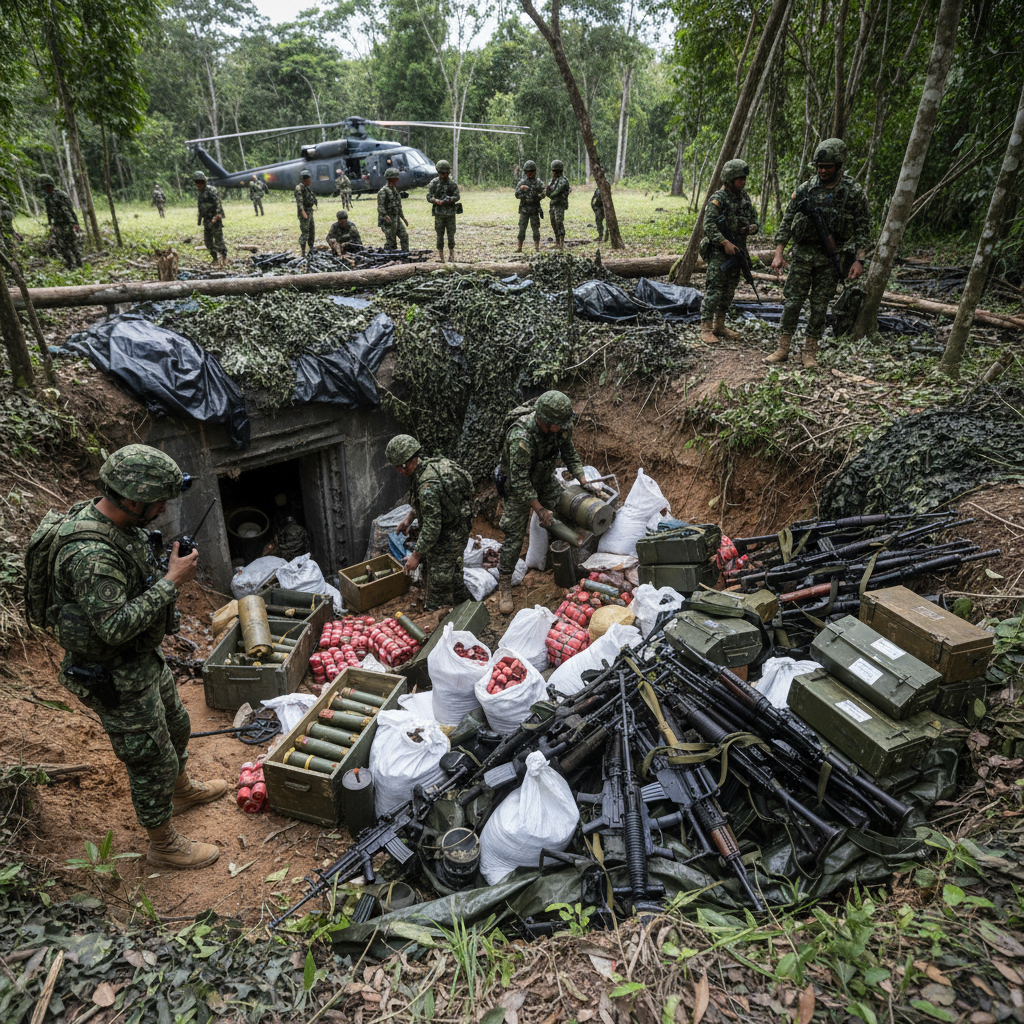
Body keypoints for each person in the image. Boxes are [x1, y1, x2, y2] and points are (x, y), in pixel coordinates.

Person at [42, 445, 227, 869]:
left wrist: (165, 565)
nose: (164, 508)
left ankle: (181, 791)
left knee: (178, 725)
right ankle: (162, 844)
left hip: (141, 659)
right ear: (131, 498)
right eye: (158, 501)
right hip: (113, 673)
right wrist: (171, 582)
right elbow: (112, 627)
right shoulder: (90, 555)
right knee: (150, 758)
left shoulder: (120, 525)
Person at [769, 137, 872, 368]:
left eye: (828, 167)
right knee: (793, 302)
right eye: (819, 167)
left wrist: (859, 260)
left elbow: (863, 227)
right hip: (803, 255)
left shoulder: (852, 192)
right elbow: (787, 221)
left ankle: (809, 352)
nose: (823, 171)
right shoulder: (806, 189)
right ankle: (782, 348)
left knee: (819, 305)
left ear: (839, 165)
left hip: (830, 259)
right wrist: (779, 253)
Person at [496, 391, 596, 615]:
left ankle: (566, 565)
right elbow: (519, 480)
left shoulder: (561, 425)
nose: (561, 428)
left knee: (567, 508)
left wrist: (582, 479)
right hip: (518, 487)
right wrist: (539, 509)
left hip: (544, 478)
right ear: (544, 420)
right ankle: (504, 582)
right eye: (557, 425)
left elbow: (569, 451)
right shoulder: (520, 438)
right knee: (513, 535)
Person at [386, 435, 474, 612]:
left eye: (399, 468)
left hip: (450, 532)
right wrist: (409, 518)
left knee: (439, 580)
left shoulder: (427, 485)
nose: (399, 472)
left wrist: (415, 557)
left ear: (406, 464)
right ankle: (466, 603)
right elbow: (427, 505)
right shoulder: (426, 467)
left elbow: (432, 527)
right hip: (451, 524)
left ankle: (435, 613)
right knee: (453, 572)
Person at [699, 158, 759, 346]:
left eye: (744, 179)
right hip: (720, 253)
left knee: (729, 290)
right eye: (739, 179)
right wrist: (724, 242)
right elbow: (708, 224)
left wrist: (752, 227)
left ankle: (720, 325)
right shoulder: (719, 198)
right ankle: (706, 328)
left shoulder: (744, 197)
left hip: (738, 251)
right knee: (715, 290)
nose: (743, 182)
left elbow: (754, 218)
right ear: (729, 179)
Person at [38, 174, 83, 269]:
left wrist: (74, 223)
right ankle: (70, 265)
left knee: (72, 245)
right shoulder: (47, 198)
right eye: (45, 188)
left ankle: (79, 264)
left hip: (67, 223)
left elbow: (69, 210)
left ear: (51, 186)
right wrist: (51, 224)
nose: (47, 189)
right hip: (58, 225)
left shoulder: (61, 195)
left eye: (48, 187)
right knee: (62, 247)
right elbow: (49, 212)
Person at [426, 159, 461, 264]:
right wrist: (436, 201)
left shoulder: (452, 184)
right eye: (441, 173)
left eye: (445, 173)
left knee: (451, 235)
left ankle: (451, 255)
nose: (443, 175)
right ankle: (441, 257)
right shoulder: (434, 183)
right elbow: (429, 196)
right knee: (439, 235)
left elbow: (457, 196)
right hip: (439, 214)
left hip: (450, 214)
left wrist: (451, 199)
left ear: (449, 173)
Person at [193, 170, 227, 268]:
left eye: (199, 182)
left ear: (204, 181)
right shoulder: (201, 193)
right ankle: (215, 258)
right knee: (208, 242)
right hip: (206, 220)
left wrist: (216, 217)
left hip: (214, 219)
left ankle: (223, 258)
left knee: (218, 241)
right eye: (196, 182)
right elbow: (200, 207)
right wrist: (199, 219)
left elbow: (218, 204)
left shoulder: (212, 190)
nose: (198, 185)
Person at [514, 160, 545, 253]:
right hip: (524, 210)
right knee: (522, 229)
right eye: (527, 171)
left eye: (531, 171)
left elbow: (544, 192)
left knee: (535, 229)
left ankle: (537, 249)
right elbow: (516, 195)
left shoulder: (538, 182)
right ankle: (519, 248)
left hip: (534, 209)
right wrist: (521, 190)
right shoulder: (522, 182)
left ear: (535, 171)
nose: (529, 173)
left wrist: (537, 197)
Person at [377, 167, 409, 251]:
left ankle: (405, 254)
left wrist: (403, 217)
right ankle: (386, 255)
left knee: (404, 236)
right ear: (389, 179)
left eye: (397, 179)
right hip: (387, 220)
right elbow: (380, 206)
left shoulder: (395, 190)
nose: (396, 181)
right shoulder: (383, 191)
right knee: (391, 241)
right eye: (394, 179)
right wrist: (384, 216)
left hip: (396, 218)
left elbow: (398, 206)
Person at [545, 159, 571, 250]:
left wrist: (548, 191)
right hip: (553, 204)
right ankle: (557, 242)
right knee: (553, 223)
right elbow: (547, 192)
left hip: (560, 205)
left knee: (559, 222)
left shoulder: (562, 181)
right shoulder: (553, 180)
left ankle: (562, 243)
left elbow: (553, 193)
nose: (553, 173)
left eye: (554, 171)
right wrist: (548, 191)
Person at [295, 169, 318, 256]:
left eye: (309, 180)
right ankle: (303, 251)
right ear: (303, 180)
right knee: (305, 232)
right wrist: (302, 211)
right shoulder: (299, 188)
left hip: (309, 211)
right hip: (304, 213)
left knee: (312, 231)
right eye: (307, 180)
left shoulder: (307, 188)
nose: (309, 181)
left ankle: (311, 248)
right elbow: (299, 201)